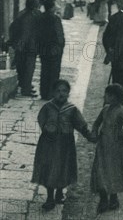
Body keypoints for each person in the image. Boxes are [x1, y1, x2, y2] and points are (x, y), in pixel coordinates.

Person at [32, 80, 94, 211]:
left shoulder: (72, 109)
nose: (61, 94)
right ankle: (50, 198)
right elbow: (41, 119)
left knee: (63, 167)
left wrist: (89, 135)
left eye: (64, 91)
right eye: (58, 91)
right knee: (50, 168)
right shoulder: (48, 107)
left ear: (68, 93)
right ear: (53, 92)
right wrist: (47, 128)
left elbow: (80, 124)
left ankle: (59, 193)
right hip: (49, 143)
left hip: (66, 144)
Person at [90, 84, 123, 214]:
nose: (105, 97)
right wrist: (94, 131)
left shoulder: (121, 111)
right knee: (100, 171)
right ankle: (103, 199)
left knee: (113, 171)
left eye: (109, 95)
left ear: (116, 97)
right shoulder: (105, 109)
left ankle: (113, 198)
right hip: (103, 145)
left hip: (116, 147)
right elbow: (97, 122)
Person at [9, 0, 41, 97]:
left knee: (21, 68)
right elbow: (27, 34)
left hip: (20, 46)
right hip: (28, 47)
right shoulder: (31, 16)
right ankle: (26, 89)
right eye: (36, 5)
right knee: (29, 68)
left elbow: (12, 27)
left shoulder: (21, 13)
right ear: (33, 6)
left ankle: (24, 85)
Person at [102, 0, 123, 90]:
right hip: (122, 58)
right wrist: (117, 56)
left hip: (116, 57)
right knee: (122, 83)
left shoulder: (114, 17)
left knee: (116, 80)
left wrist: (109, 51)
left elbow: (105, 37)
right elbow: (120, 40)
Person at [38, 0, 65, 100]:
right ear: (52, 7)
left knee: (44, 70)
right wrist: (61, 46)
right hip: (54, 49)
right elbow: (59, 35)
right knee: (53, 72)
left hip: (43, 48)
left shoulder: (40, 17)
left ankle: (44, 93)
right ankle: (51, 93)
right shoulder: (55, 19)